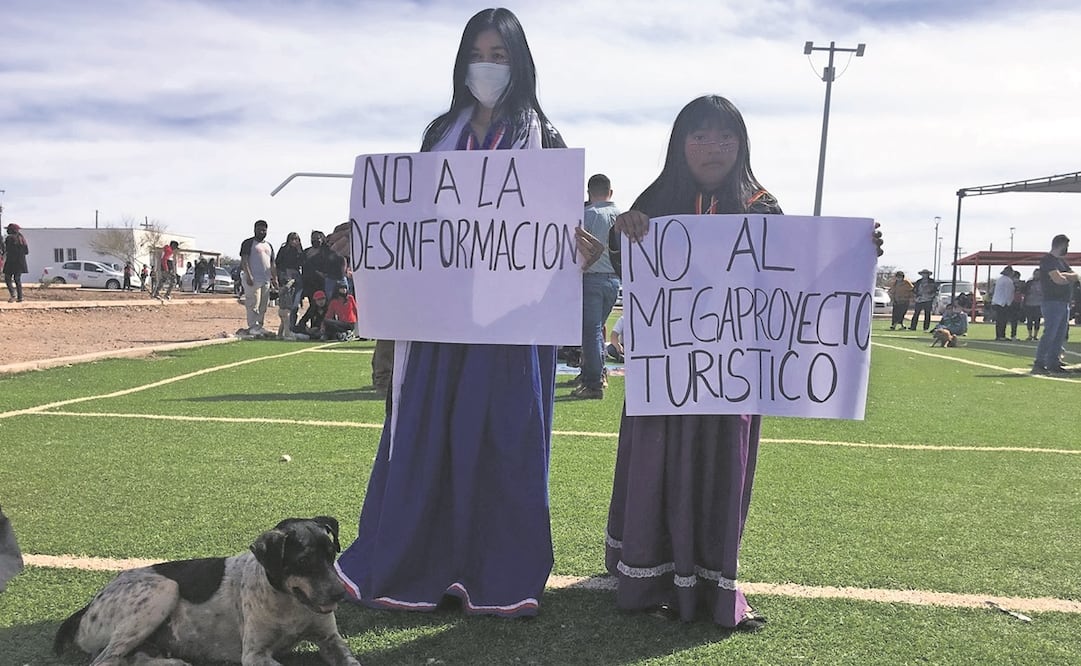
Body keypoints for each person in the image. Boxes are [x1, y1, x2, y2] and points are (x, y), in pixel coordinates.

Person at [605, 95, 882, 631]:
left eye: (725, 137)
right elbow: (632, 273)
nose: (713, 148)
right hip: (668, 374)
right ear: (680, 143)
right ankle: (648, 580)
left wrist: (856, 252)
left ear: (742, 144)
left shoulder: (762, 206)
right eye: (700, 136)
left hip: (733, 374)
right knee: (656, 468)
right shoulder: (655, 200)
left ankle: (714, 584)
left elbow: (799, 278)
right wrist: (625, 233)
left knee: (720, 473)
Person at [334, 7, 566, 618]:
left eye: (499, 56)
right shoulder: (440, 132)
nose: (487, 67)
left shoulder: (545, 138)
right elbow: (410, 217)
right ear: (462, 63)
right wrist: (366, 235)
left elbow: (550, 232)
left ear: (519, 64)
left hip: (512, 326)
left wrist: (579, 247)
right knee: (428, 433)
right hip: (438, 319)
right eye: (478, 55)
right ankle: (417, 558)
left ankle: (499, 569)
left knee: (505, 439)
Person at [571, 174, 622, 399]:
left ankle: (593, 383)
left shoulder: (586, 215)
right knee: (597, 329)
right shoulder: (621, 215)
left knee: (590, 332)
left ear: (589, 192)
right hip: (614, 280)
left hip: (591, 278)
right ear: (610, 192)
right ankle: (596, 374)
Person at [1032, 234, 1079, 374]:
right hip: (1052, 302)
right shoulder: (1048, 260)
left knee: (1060, 335)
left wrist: (1065, 276)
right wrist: (1067, 277)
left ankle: (1053, 362)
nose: (1067, 249)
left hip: (1064, 302)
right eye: (1067, 246)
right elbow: (1058, 279)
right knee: (1050, 333)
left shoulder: (1062, 262)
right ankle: (1039, 363)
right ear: (1061, 245)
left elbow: (1076, 276)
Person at [239, 219, 277, 336]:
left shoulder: (269, 245)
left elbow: (272, 263)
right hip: (253, 279)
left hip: (265, 279)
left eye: (264, 230)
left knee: (263, 305)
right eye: (259, 229)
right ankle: (253, 326)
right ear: (255, 229)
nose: (261, 232)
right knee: (253, 303)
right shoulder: (248, 243)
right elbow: (244, 260)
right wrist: (249, 275)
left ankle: (259, 326)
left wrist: (274, 278)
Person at [276, 232, 305, 335]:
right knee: (286, 307)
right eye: (292, 239)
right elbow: (278, 263)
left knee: (295, 305)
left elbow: (303, 263)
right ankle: (284, 329)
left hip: (297, 279)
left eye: (296, 239)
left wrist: (299, 251)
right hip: (286, 278)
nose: (294, 241)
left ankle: (291, 327)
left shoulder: (300, 251)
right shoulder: (284, 250)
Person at [3, 223, 29, 303]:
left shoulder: (9, 238)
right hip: (20, 262)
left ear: (11, 230)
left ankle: (13, 294)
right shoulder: (22, 238)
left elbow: (7, 250)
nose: (7, 231)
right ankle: (20, 297)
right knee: (17, 279)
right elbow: (26, 252)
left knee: (7, 278)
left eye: (8, 229)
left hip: (11, 262)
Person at [991, 265, 1015, 341]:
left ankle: (999, 335)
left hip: (996, 302)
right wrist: (1009, 303)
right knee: (1003, 320)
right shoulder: (1008, 281)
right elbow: (1009, 293)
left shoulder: (999, 279)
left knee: (999, 320)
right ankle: (1002, 335)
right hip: (1003, 303)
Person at [1023, 268, 1044, 341]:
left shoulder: (1043, 283)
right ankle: (1029, 335)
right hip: (1029, 303)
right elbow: (1024, 291)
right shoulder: (1029, 283)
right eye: (1035, 274)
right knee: (1029, 320)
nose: (1037, 275)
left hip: (1039, 304)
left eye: (1038, 274)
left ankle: (1035, 335)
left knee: (1037, 320)